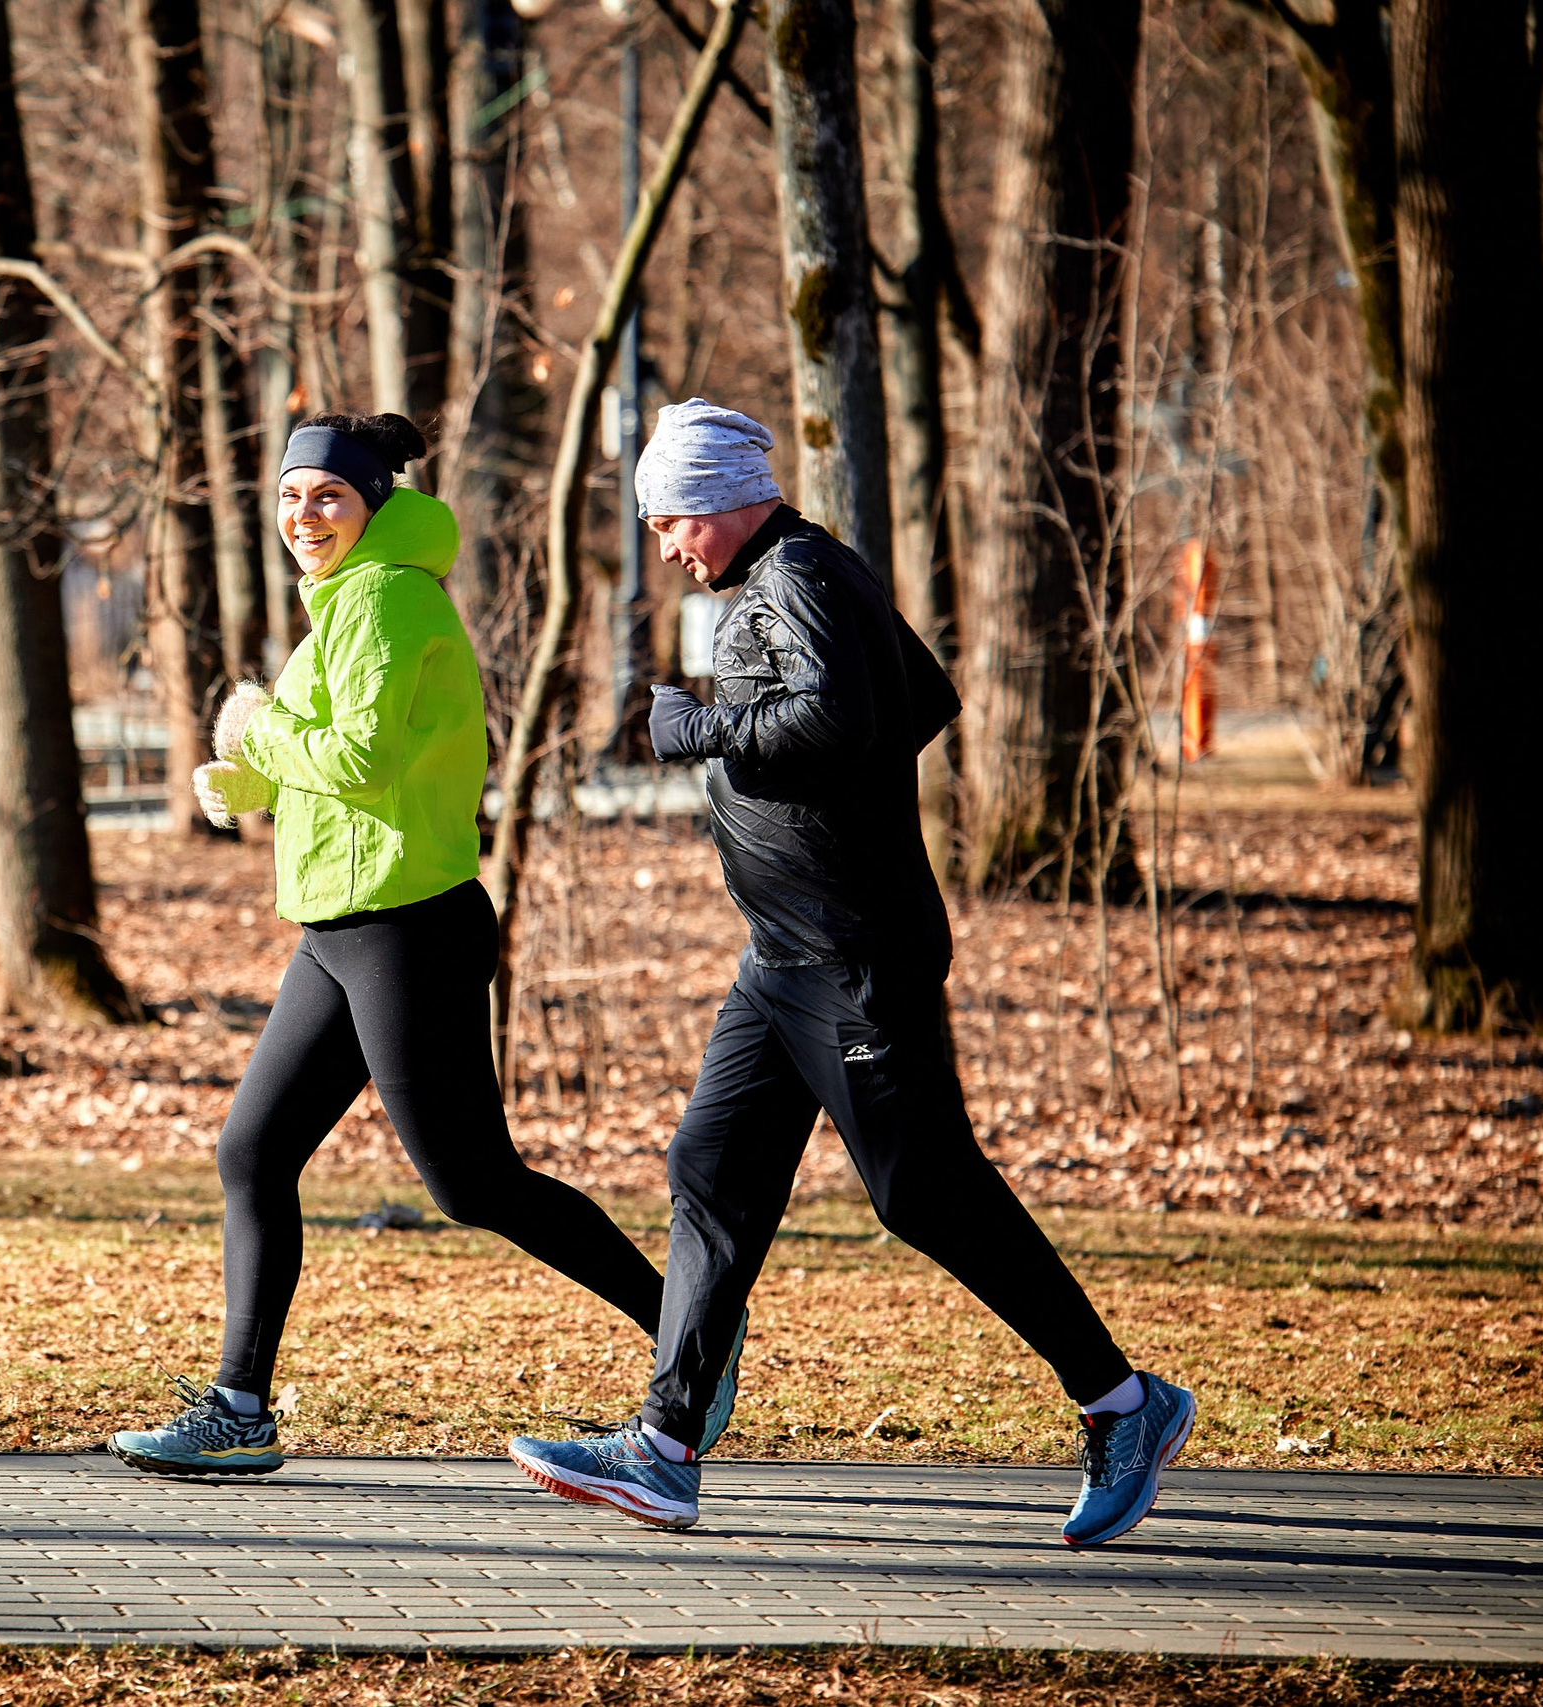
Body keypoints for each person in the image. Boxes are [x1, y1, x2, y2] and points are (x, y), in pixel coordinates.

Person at [506, 402, 1195, 1545]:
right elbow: (920, 698)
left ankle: (1124, 1404)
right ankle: (664, 1449)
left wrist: (711, 730)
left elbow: (840, 714)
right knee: (709, 1169)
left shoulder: (801, 574)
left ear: (725, 498)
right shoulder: (810, 571)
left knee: (922, 1193)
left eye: (670, 521)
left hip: (852, 957)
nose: (667, 547)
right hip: (780, 959)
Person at [108, 411, 670, 1478]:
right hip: (340, 924)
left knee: (474, 1185)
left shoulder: (388, 596)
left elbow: (358, 758)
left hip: (406, 927)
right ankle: (238, 1407)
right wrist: (252, 780)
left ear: (371, 504)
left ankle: (687, 1335)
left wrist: (255, 725)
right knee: (254, 1152)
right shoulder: (346, 600)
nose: (302, 515)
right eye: (288, 495)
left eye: (327, 496)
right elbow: (364, 759)